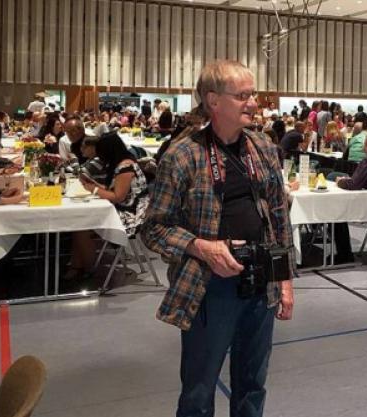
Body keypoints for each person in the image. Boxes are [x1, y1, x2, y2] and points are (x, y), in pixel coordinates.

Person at [141, 60, 294, 417]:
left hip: (260, 281)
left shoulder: (264, 148)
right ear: (213, 100)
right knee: (199, 390)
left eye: (253, 94)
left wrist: (284, 279)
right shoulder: (182, 155)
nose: (253, 103)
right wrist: (200, 247)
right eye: (243, 96)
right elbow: (153, 228)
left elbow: (279, 218)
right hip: (209, 287)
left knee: (253, 385)